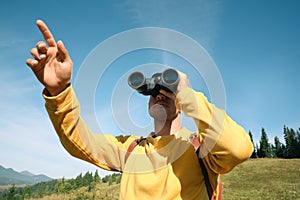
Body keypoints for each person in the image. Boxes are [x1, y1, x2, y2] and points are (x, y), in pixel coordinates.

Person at [26, 20, 253, 200]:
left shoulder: (200, 148)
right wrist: (59, 91)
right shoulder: (130, 148)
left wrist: (186, 93)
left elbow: (239, 149)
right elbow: (78, 142)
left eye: (168, 94)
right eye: (154, 93)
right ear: (147, 103)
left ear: (182, 105)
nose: (159, 96)